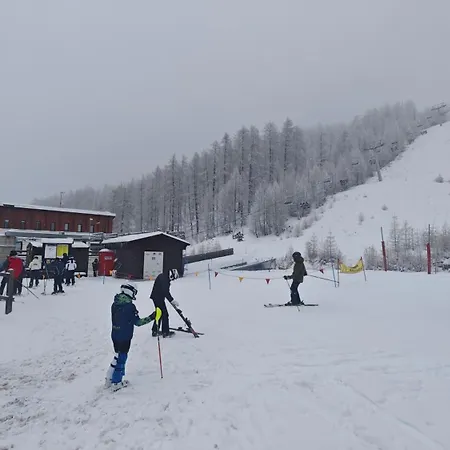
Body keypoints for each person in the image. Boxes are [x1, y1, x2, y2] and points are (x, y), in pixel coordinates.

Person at [105, 282, 161, 391]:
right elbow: (138, 322)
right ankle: (116, 382)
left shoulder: (114, 304)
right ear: (130, 292)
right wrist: (152, 317)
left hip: (115, 334)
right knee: (122, 358)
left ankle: (109, 378)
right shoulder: (130, 307)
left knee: (117, 356)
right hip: (125, 336)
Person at [150, 269, 179, 338]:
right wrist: (172, 300)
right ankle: (165, 332)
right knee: (165, 314)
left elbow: (164, 291)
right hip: (158, 298)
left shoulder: (164, 276)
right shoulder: (164, 279)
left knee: (159, 314)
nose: (172, 280)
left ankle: (155, 330)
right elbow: (166, 291)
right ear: (172, 275)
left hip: (157, 297)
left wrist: (170, 299)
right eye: (173, 278)